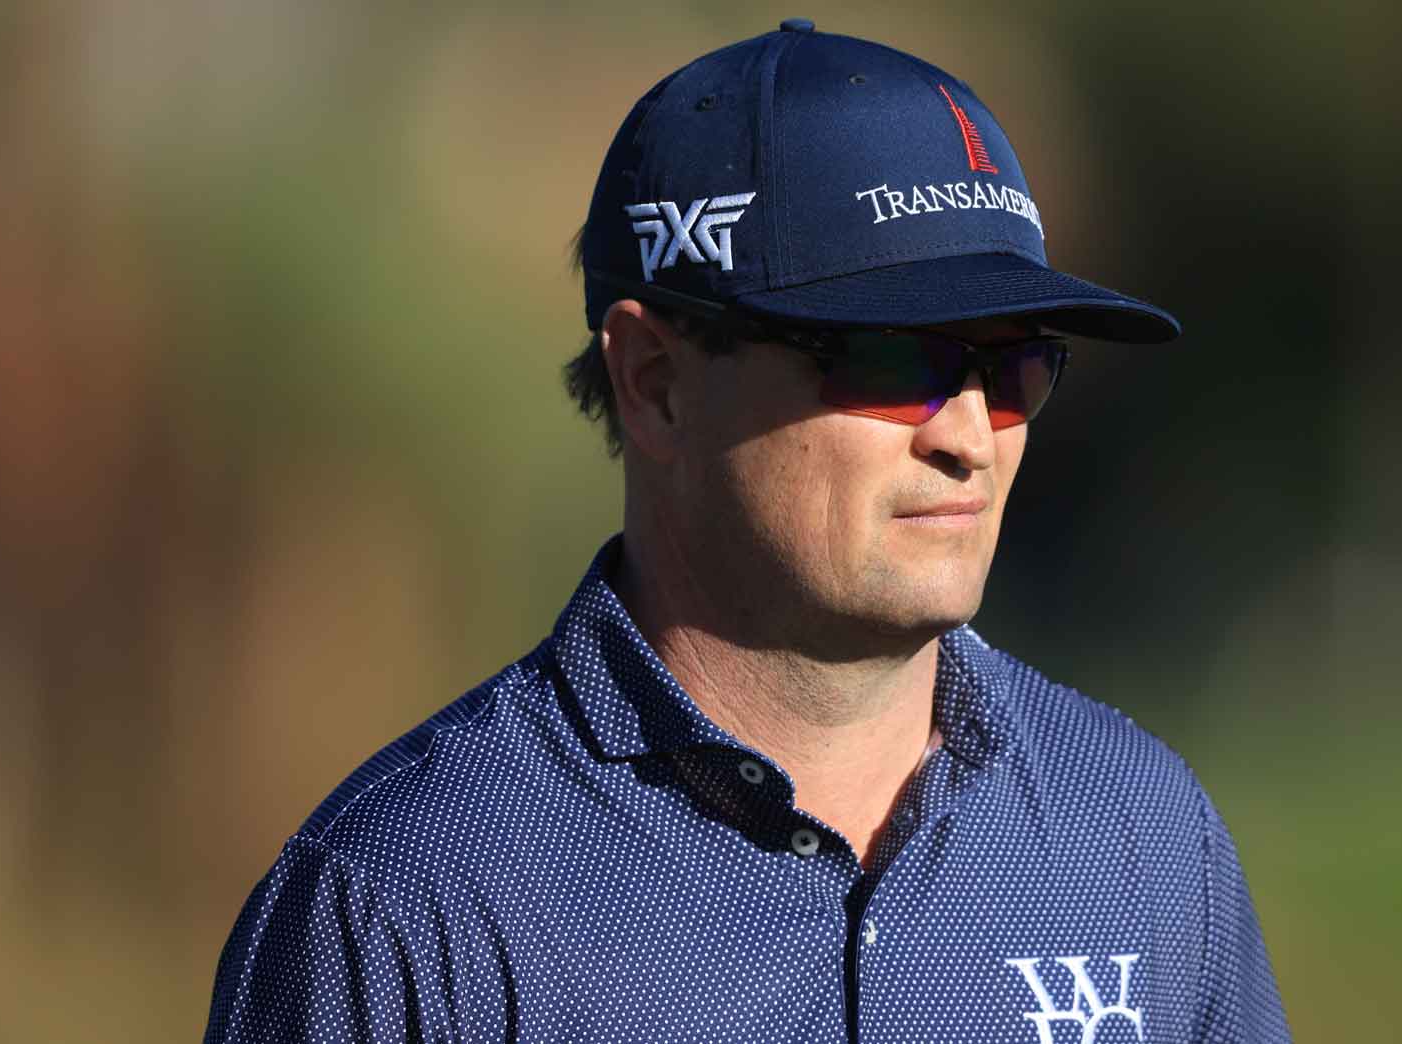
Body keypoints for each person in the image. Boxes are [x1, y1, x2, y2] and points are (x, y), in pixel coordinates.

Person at [204, 19, 1290, 1044]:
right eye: (892, 359)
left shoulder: (1144, 838)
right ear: (656, 384)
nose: (969, 434)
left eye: (1013, 367)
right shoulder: (405, 904)